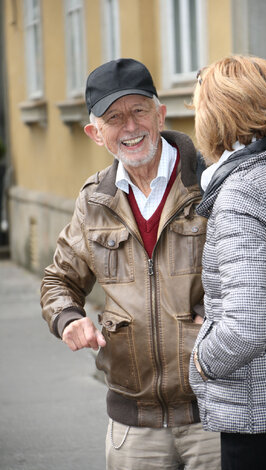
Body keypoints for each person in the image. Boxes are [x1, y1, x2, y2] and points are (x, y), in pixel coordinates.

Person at [40, 58, 221, 470]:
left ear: (160, 114)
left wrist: (219, 314)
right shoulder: (94, 201)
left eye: (140, 111)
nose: (130, 127)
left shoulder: (210, 184)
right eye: (114, 118)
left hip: (212, 412)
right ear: (95, 133)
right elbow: (59, 279)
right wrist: (67, 318)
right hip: (133, 423)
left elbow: (255, 271)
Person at [189, 55, 266, 470]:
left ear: (220, 116)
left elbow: (245, 329)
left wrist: (202, 362)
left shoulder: (243, 195)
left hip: (262, 418)